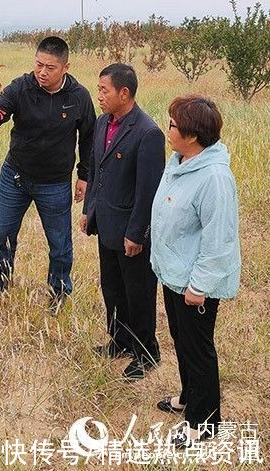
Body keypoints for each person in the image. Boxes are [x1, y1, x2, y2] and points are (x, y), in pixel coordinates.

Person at [0, 36, 96, 312]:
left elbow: (88, 138)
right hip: (15, 177)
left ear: (65, 67)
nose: (42, 72)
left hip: (54, 183)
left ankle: (59, 293)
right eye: (39, 64)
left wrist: (84, 176)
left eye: (50, 67)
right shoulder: (21, 88)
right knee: (1, 236)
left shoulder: (79, 97)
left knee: (60, 243)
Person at [150, 95, 241, 446]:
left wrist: (199, 285)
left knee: (198, 350)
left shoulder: (215, 178)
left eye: (173, 124)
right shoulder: (180, 161)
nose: (168, 128)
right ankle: (189, 398)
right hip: (173, 273)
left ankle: (204, 423)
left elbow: (219, 240)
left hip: (193, 283)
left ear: (191, 135)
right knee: (182, 342)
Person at [81, 63, 165, 380]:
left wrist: (137, 234)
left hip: (131, 231)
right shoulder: (104, 123)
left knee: (139, 293)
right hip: (106, 223)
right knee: (113, 289)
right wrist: (89, 209)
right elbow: (95, 168)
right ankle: (120, 341)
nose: (99, 95)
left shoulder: (148, 133)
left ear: (124, 93)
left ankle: (147, 352)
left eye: (104, 90)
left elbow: (148, 192)